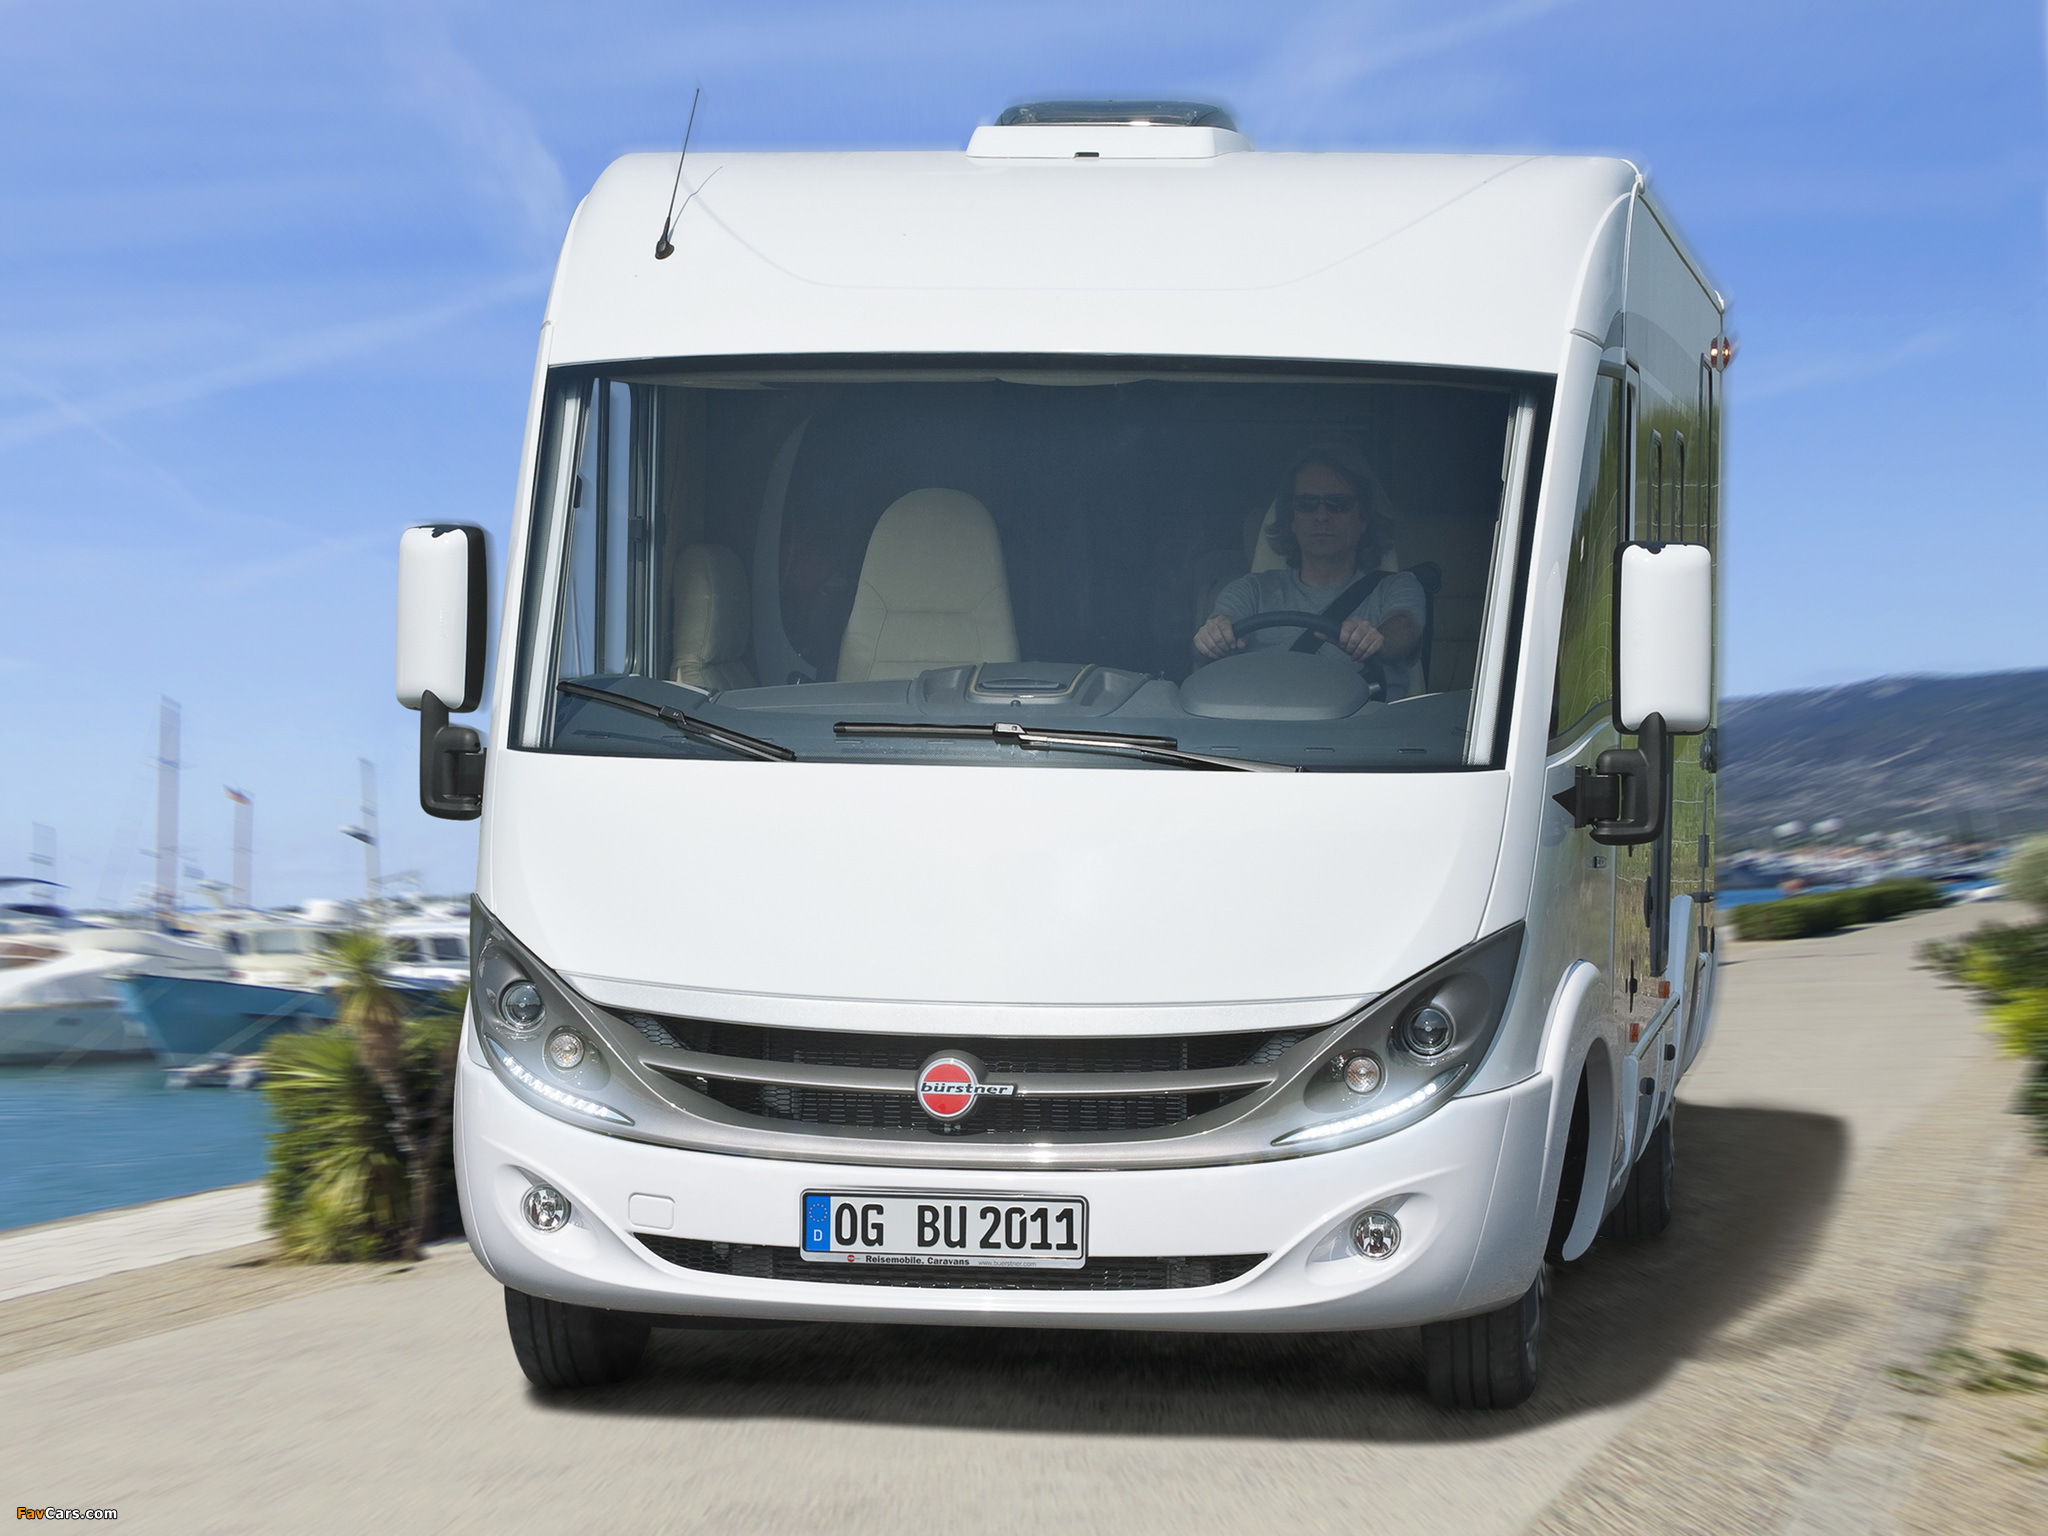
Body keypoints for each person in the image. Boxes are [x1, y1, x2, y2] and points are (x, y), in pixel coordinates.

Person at [1194, 444, 1425, 696]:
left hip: (1367, 720)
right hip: (1264, 719)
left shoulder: (1396, 585)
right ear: (1292, 519)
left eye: (1337, 504)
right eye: (1307, 504)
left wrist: (1375, 639)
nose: (1321, 515)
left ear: (1364, 519)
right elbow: (1222, 625)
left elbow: (1403, 631)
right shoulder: (1250, 589)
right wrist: (1216, 635)